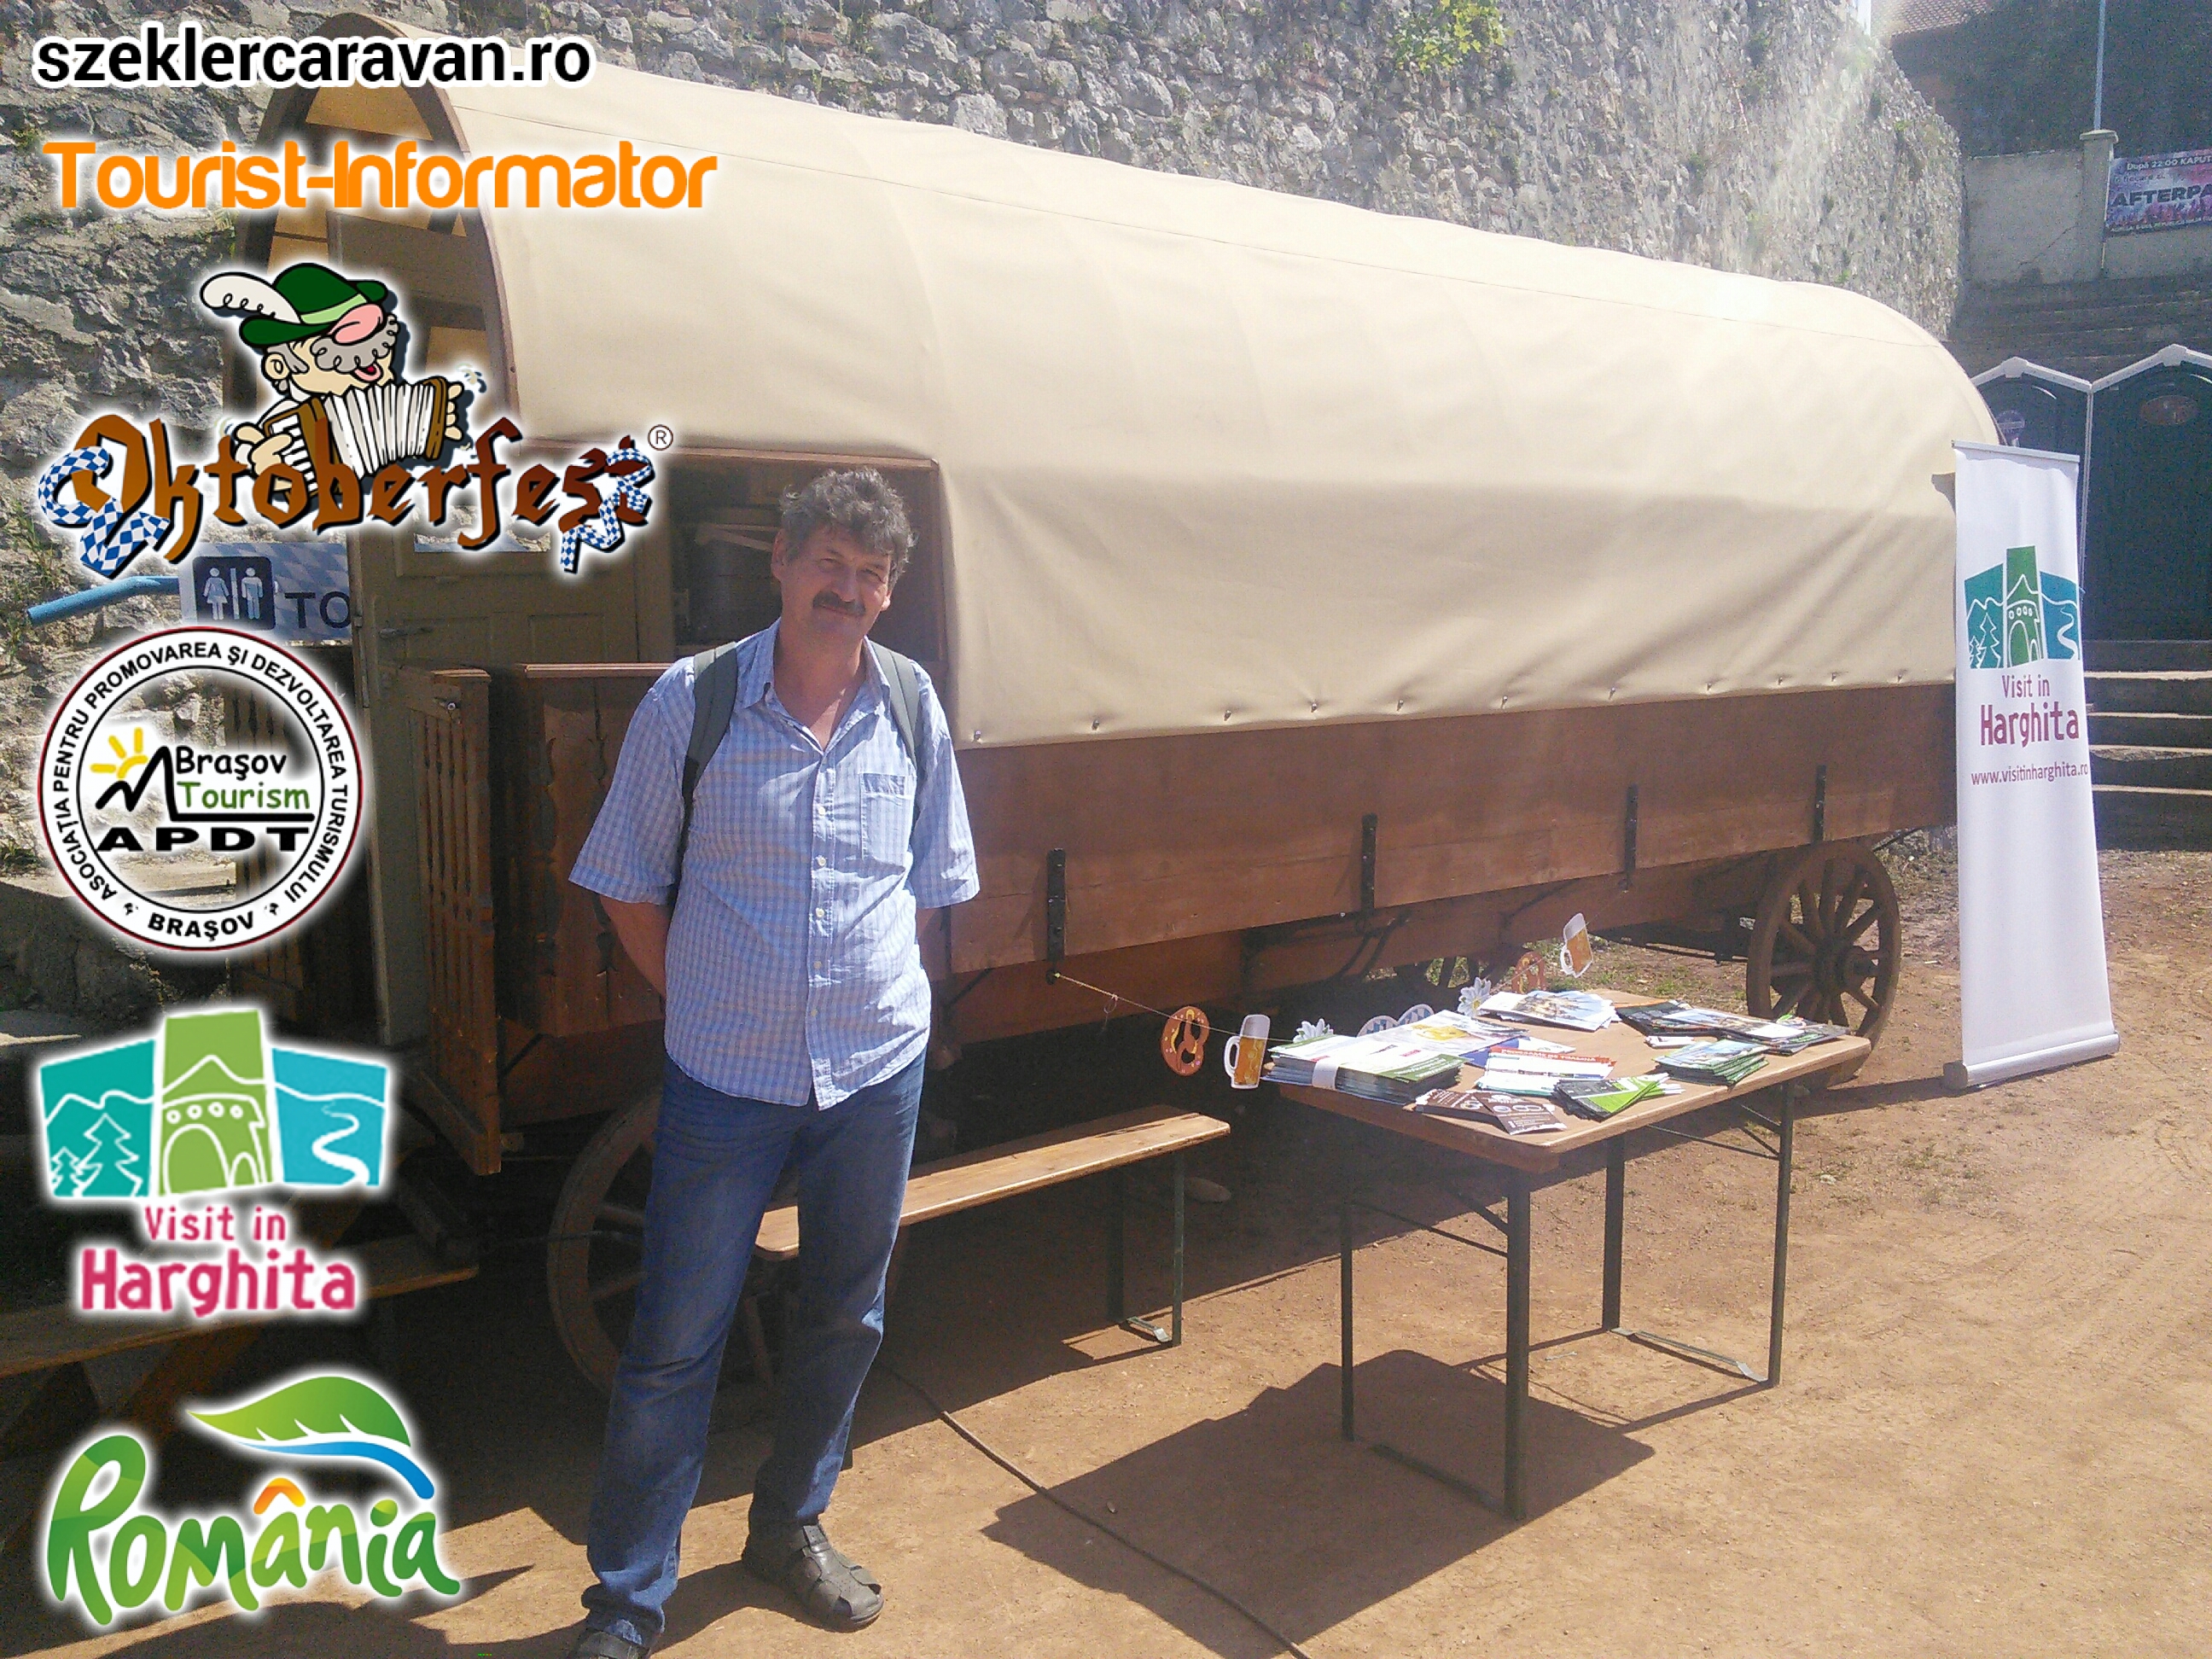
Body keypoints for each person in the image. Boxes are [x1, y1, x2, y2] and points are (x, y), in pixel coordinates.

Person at [565, 469, 977, 1654]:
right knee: (673, 1342)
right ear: (783, 564)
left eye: (869, 574)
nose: (846, 589)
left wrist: (874, 997)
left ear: (888, 592)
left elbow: (928, 884)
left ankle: (789, 1526)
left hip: (874, 1075)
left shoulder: (912, 705)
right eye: (828, 563)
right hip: (725, 1080)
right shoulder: (691, 703)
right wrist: (701, 997)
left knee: (847, 1314)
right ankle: (628, 1599)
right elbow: (625, 883)